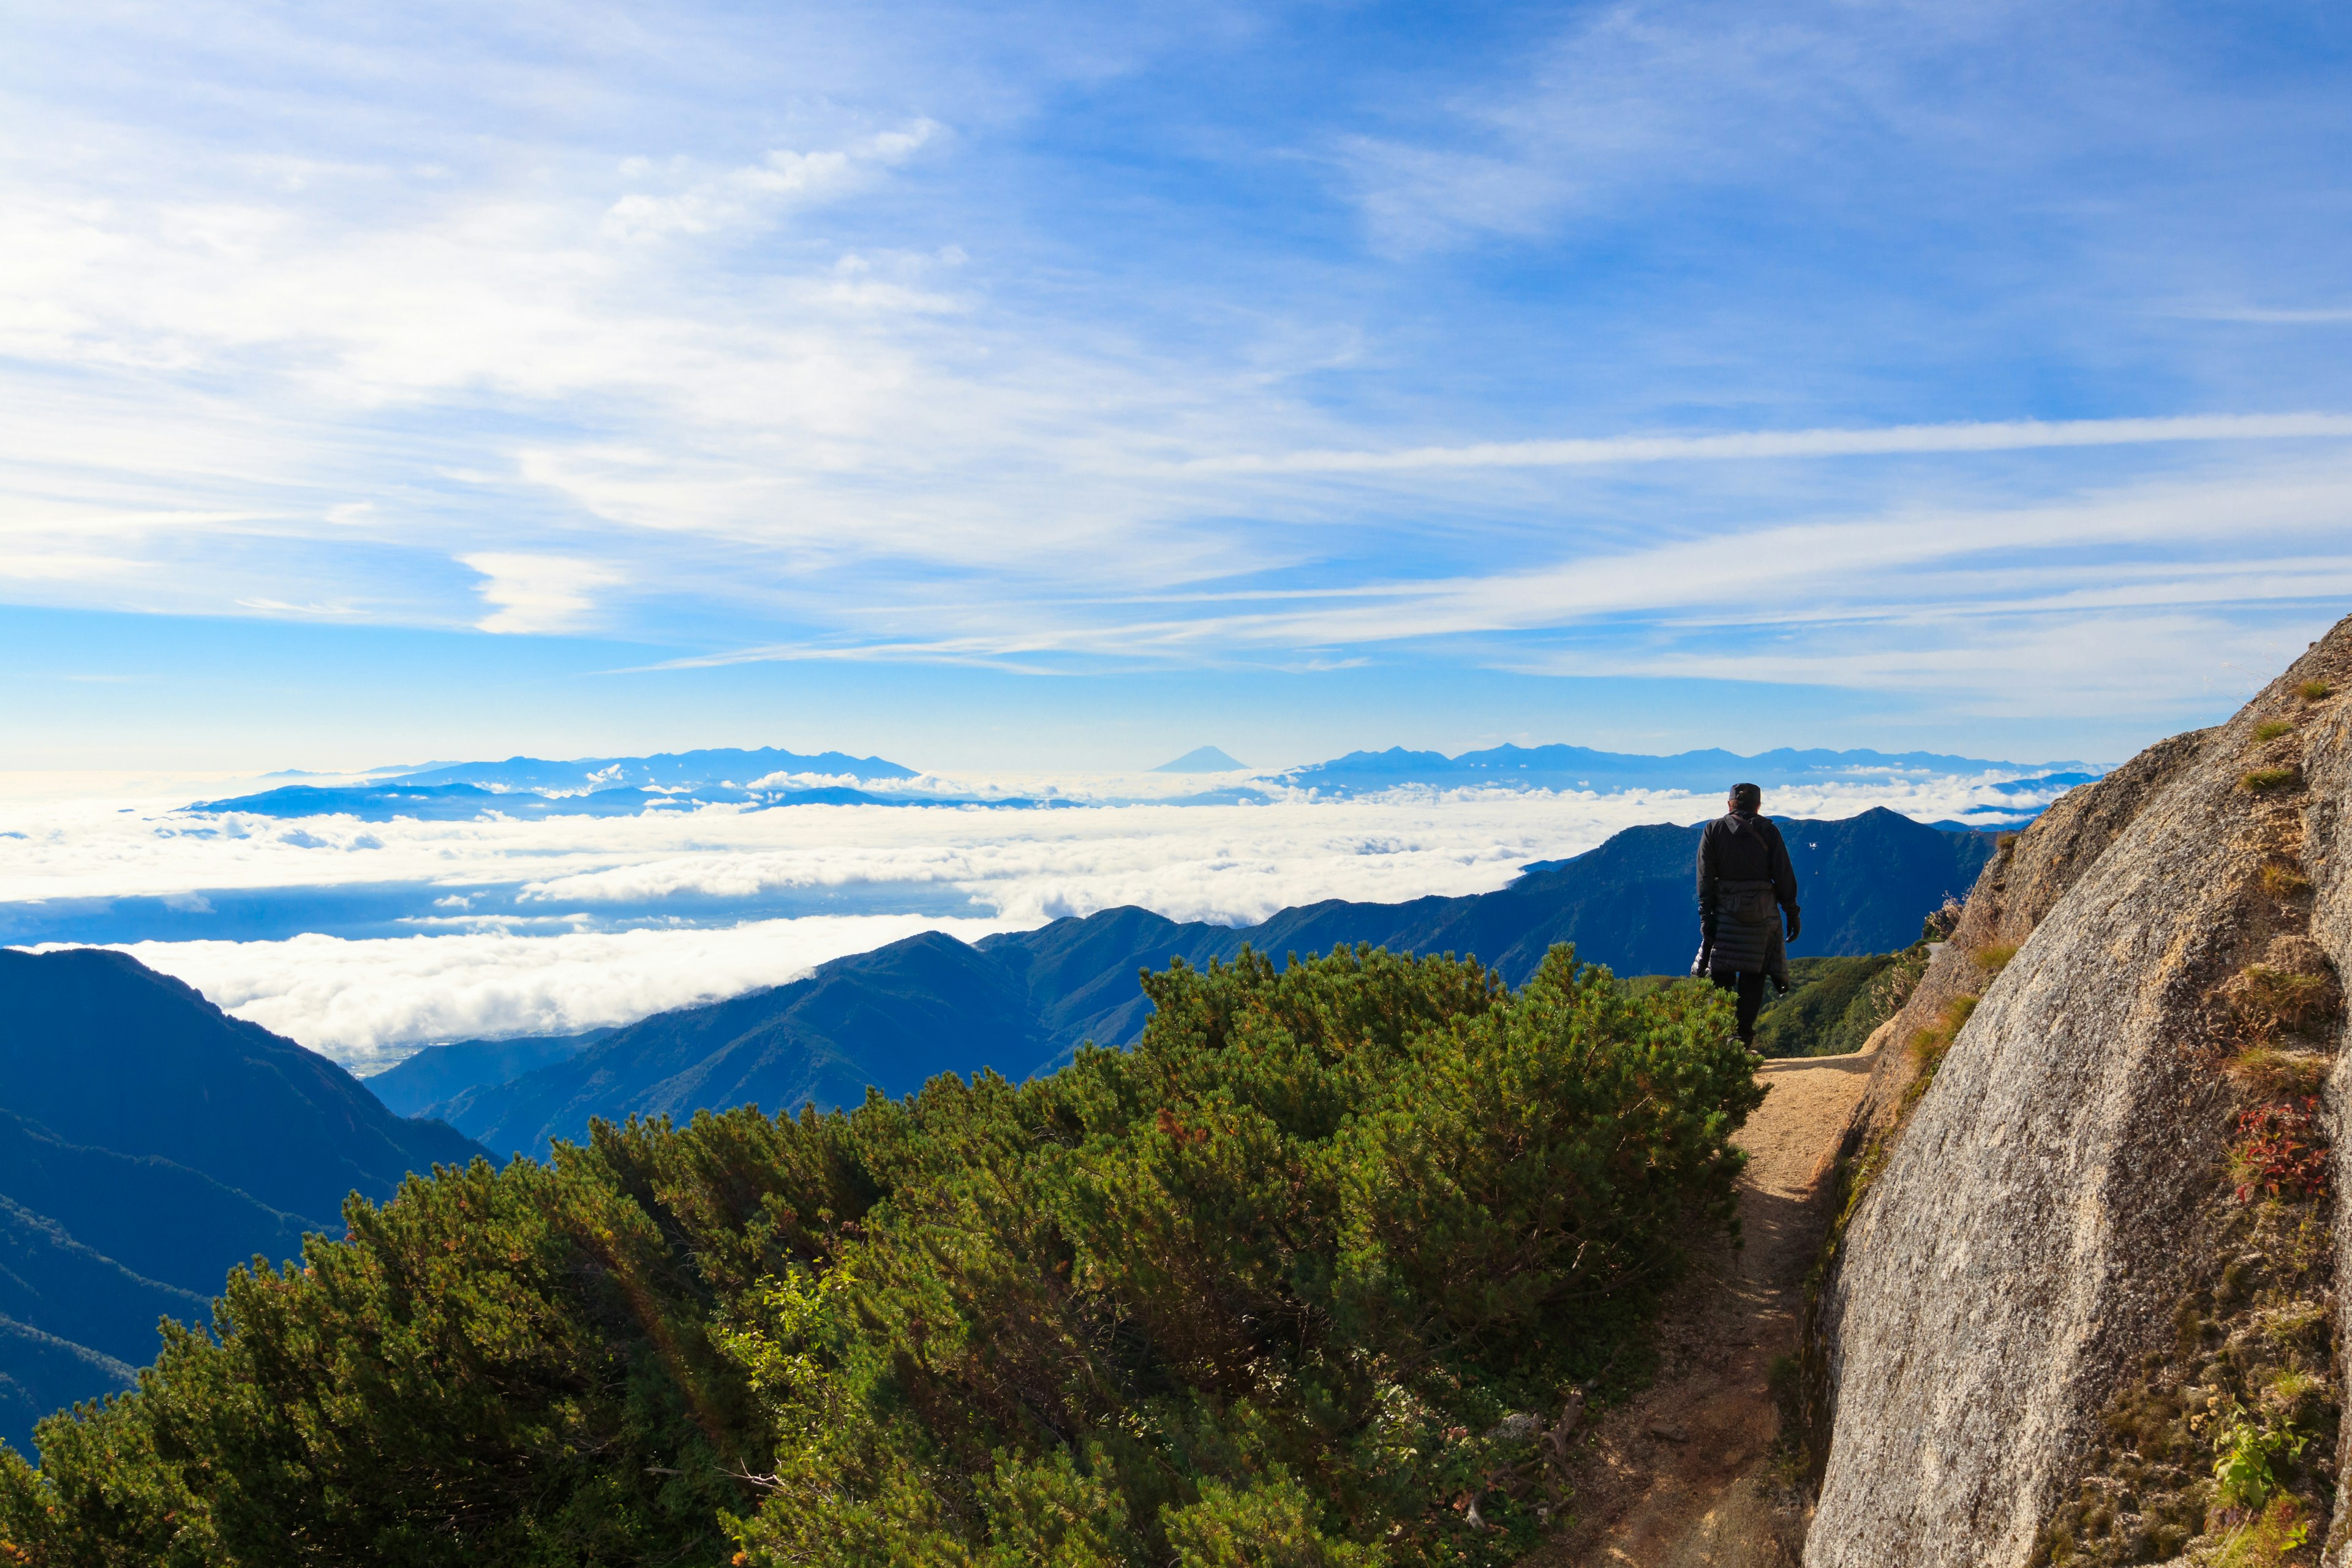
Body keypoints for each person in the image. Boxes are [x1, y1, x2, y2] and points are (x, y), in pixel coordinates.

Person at [1692, 781, 1800, 1047]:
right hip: (1762, 916)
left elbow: (1705, 877)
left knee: (1721, 975)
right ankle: (1742, 1039)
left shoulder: (1713, 830)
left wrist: (1706, 916)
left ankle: (1721, 1039)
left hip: (1725, 914)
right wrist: (1792, 913)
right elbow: (1783, 874)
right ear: (1758, 806)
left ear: (1730, 805)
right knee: (1754, 976)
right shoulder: (1769, 831)